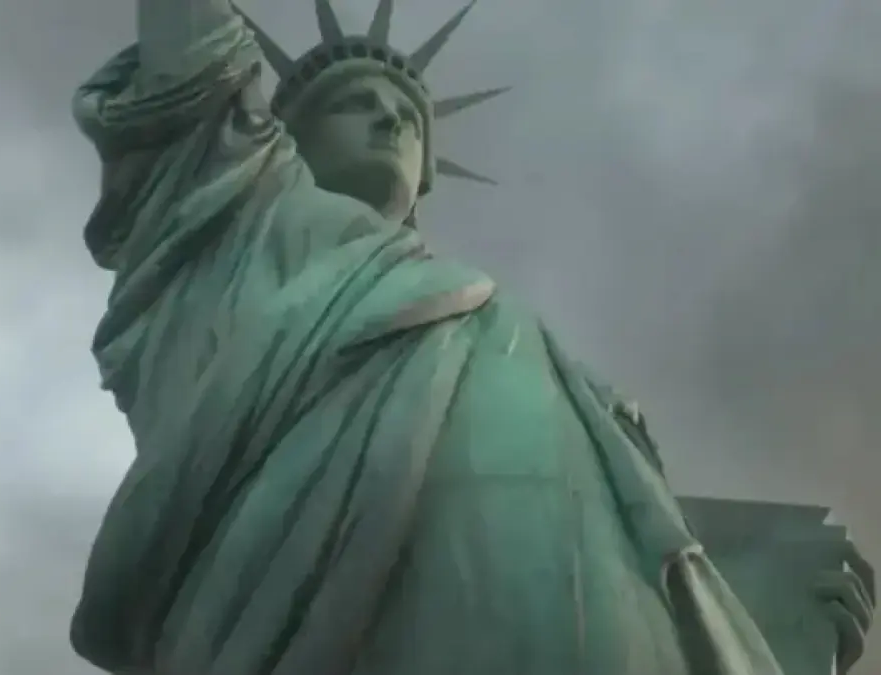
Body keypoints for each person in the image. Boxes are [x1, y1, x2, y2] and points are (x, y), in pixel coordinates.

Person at [68, 1, 873, 673]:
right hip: (302, 604)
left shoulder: (497, 324)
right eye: (354, 103)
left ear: (425, 175)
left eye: (406, 117)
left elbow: (645, 543)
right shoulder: (246, 223)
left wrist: (769, 606)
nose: (389, 117)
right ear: (278, 139)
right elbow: (193, 41)